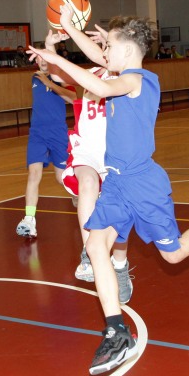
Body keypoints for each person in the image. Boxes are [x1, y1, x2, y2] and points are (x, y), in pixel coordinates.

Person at [28, 5, 189, 376]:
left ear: (127, 51)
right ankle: (116, 331)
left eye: (109, 47)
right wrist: (70, 29)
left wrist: (54, 59)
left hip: (143, 184)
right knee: (95, 246)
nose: (103, 52)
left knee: (173, 255)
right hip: (116, 183)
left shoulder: (137, 80)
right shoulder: (124, 68)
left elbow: (99, 85)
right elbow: (102, 62)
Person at [58, 20, 132, 305]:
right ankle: (88, 252)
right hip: (88, 149)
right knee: (87, 184)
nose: (104, 51)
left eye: (110, 46)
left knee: (119, 217)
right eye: (104, 46)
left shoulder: (127, 78)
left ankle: (120, 265)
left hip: (115, 154)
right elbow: (58, 73)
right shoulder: (89, 74)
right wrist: (51, 50)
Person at [15, 32, 77, 238]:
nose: (42, 61)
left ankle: (80, 195)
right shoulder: (35, 77)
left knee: (61, 178)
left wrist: (51, 83)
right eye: (39, 58)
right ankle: (29, 219)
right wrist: (44, 80)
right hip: (37, 133)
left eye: (46, 57)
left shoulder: (60, 77)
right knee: (34, 174)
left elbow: (73, 98)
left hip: (58, 133)